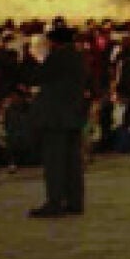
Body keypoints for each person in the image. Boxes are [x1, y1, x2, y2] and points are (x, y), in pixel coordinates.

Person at [27, 25, 88, 217]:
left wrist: (35, 59)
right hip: (73, 115)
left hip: (55, 118)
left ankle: (55, 202)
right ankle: (75, 200)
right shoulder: (78, 57)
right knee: (73, 161)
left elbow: (35, 77)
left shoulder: (57, 58)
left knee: (55, 162)